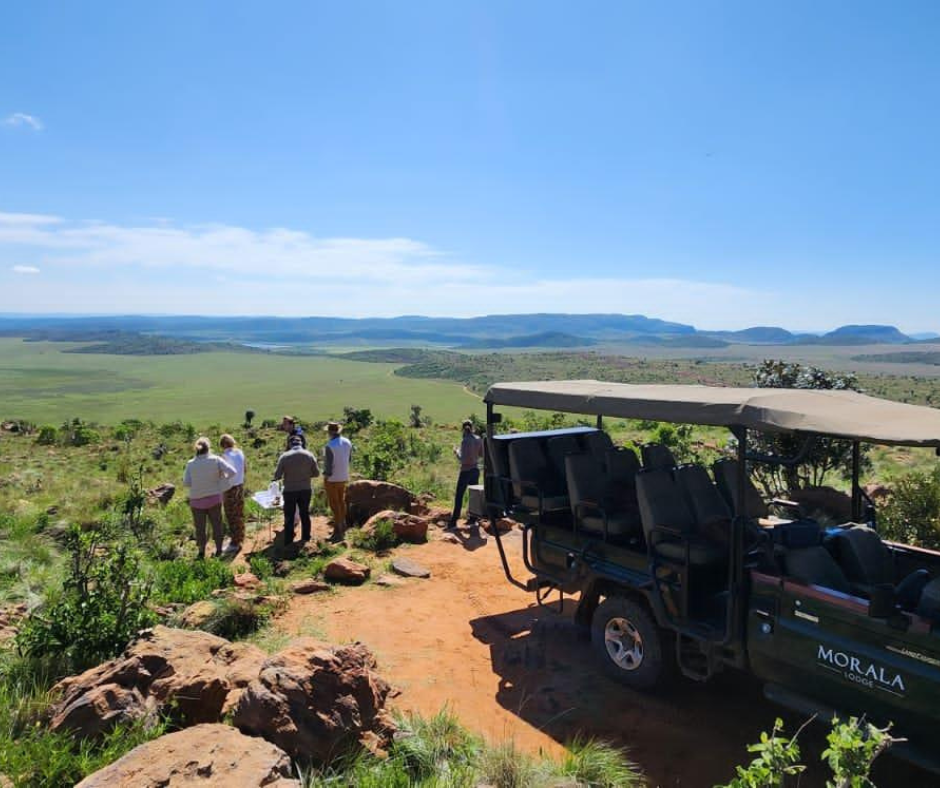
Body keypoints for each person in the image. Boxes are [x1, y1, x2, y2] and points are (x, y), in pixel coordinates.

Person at [183, 437, 236, 559]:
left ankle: (201, 552)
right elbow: (232, 472)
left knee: (200, 527)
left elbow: (186, 483)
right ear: (208, 448)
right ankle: (218, 550)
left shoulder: (191, 464)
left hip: (196, 501)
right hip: (214, 499)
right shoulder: (216, 460)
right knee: (217, 525)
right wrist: (221, 479)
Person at [273, 434, 319, 544]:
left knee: (289, 515)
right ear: (301, 443)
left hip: (290, 490)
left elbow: (277, 476)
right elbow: (316, 473)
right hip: (305, 489)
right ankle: (306, 537)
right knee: (305, 514)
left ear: (289, 444)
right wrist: (305, 476)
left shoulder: (284, 456)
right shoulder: (309, 455)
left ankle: (288, 540)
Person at [450, 420, 484, 528]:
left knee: (459, 495)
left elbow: (463, 459)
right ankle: (473, 519)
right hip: (475, 470)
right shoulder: (478, 439)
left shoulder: (465, 441)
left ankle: (454, 520)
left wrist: (456, 452)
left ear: (463, 429)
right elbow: (482, 454)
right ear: (472, 427)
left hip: (465, 471)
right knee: (474, 494)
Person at [323, 421, 353, 541]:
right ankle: (343, 524)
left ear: (330, 432)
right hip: (344, 476)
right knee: (341, 501)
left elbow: (328, 466)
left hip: (332, 478)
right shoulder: (347, 442)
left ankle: (337, 528)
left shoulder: (330, 445)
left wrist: (325, 476)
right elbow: (349, 459)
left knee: (333, 504)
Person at [219, 434, 246, 553]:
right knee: (239, 513)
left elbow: (223, 474)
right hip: (240, 486)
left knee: (231, 515)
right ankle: (240, 537)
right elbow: (245, 469)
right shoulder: (240, 452)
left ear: (223, 445)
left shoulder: (225, 456)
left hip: (230, 488)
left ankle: (235, 543)